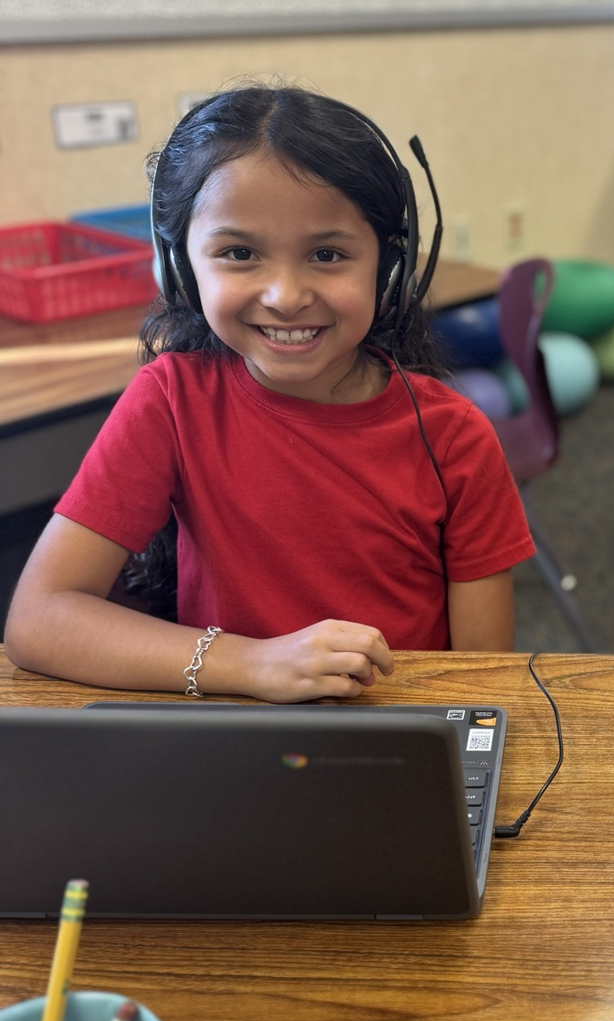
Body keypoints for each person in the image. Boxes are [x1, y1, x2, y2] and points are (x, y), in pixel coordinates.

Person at [4, 83, 535, 703]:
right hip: (232, 733)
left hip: (399, 737)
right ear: (179, 269)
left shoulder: (453, 436)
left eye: (327, 254)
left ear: (389, 268)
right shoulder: (170, 402)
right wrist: (254, 664)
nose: (285, 296)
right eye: (239, 253)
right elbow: (38, 619)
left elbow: (485, 685)